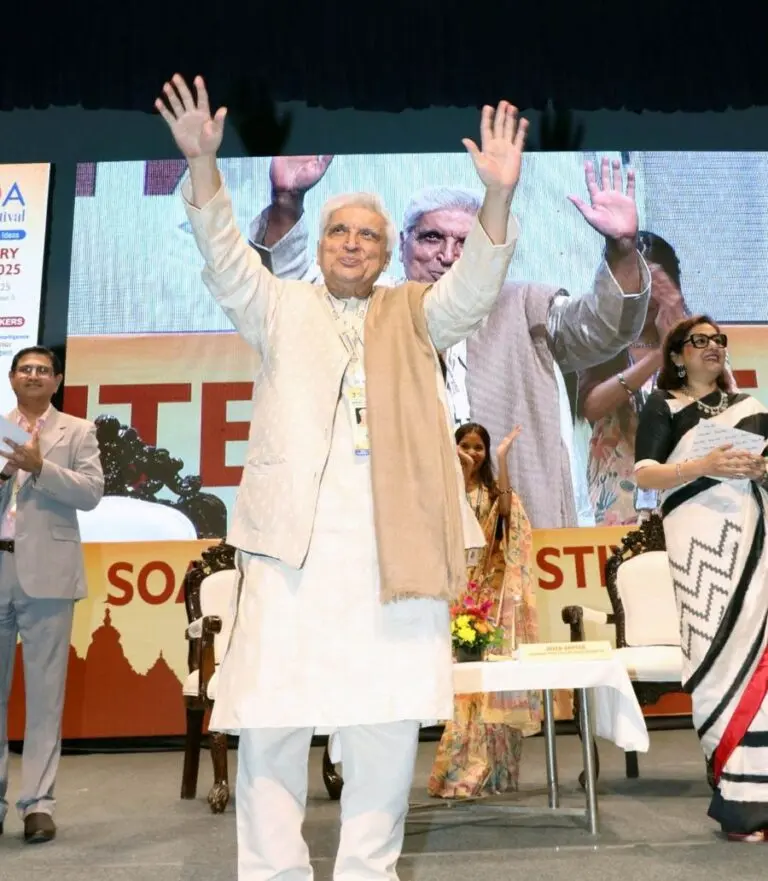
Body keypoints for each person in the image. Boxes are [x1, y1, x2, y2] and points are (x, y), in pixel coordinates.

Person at [156, 73, 526, 881]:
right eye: (338, 234)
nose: (353, 244)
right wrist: (205, 166)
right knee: (273, 725)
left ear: (389, 252)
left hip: (388, 557)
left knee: (385, 725)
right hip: (292, 554)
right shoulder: (278, 307)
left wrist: (496, 197)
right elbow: (223, 256)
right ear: (319, 248)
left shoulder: (416, 314)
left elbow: (475, 287)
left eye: (368, 235)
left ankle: (367, 870)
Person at [250, 157, 652, 528]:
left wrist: (621, 250)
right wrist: (286, 202)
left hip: (509, 523)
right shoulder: (371, 307)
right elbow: (292, 290)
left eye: (464, 243)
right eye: (431, 238)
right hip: (395, 526)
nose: (447, 255)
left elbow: (604, 328)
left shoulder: (525, 306)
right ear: (402, 244)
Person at [634, 315, 768, 843]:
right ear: (676, 355)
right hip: (700, 555)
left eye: (720, 341)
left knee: (760, 667)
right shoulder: (661, 406)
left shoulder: (753, 409)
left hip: (753, 549)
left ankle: (754, 799)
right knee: (717, 669)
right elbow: (644, 474)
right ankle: (736, 793)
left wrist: (760, 471)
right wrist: (704, 463)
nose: (713, 348)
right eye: (701, 341)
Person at [0, 346, 104, 844]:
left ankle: (37, 805)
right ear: (12, 377)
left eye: (43, 370)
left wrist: (41, 467)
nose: (35, 376)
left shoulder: (78, 430)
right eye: (26, 369)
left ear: (57, 380)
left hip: (50, 573)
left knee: (45, 698)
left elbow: (91, 492)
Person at [428, 422, 540, 798]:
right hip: (454, 594)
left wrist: (504, 459)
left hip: (488, 597)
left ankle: (495, 772)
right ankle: (460, 772)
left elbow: (508, 512)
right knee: (462, 689)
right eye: (465, 446)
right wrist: (455, 470)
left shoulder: (492, 492)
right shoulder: (444, 491)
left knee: (491, 685)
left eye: (479, 448)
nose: (473, 453)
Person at [577, 232, 690, 524]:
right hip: (619, 501)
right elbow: (591, 407)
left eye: (655, 284)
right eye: (635, 282)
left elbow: (718, 406)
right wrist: (657, 356)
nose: (645, 294)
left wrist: (677, 336)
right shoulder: (598, 337)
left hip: (686, 496)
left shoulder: (700, 340)